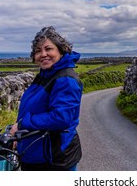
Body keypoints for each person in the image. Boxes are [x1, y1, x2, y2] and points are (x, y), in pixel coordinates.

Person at [10, 26, 83, 171]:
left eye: (48, 49)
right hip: (38, 152)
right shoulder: (45, 75)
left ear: (60, 50)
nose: (43, 54)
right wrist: (20, 137)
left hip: (55, 160)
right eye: (38, 51)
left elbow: (61, 118)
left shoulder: (65, 79)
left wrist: (23, 124)